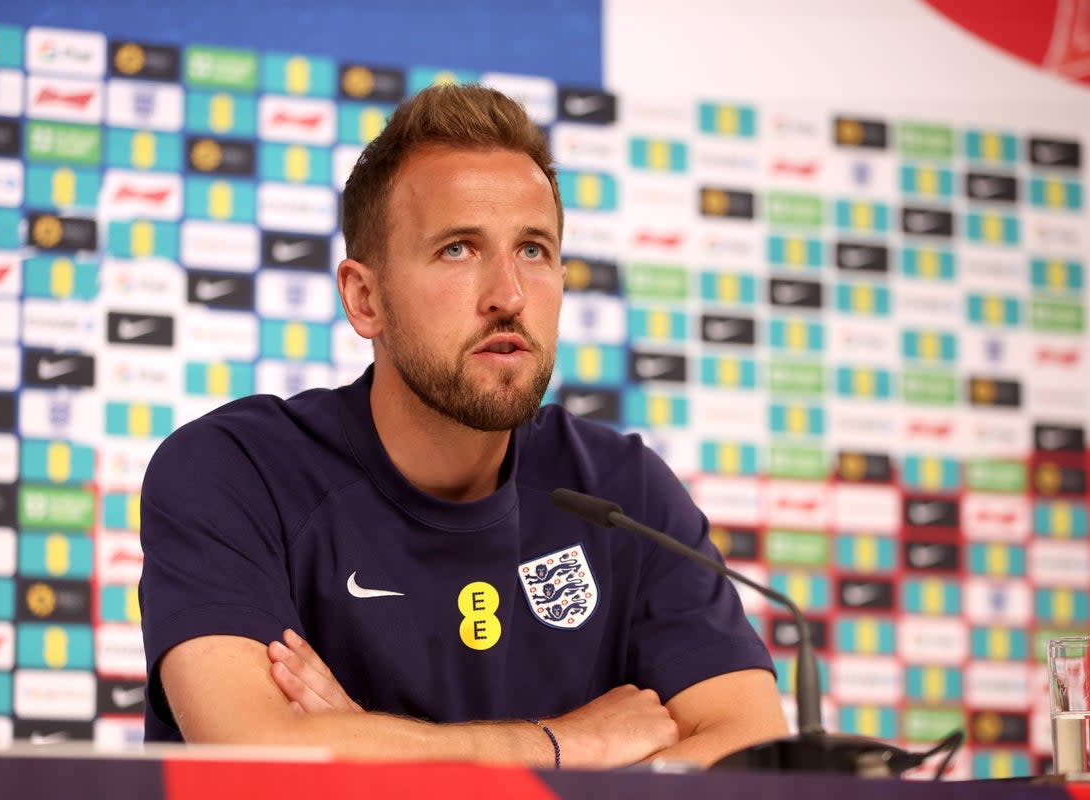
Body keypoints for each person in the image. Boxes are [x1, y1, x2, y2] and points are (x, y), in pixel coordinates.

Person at [140, 84, 787, 769]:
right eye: (458, 250)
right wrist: (566, 744)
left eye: (533, 250)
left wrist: (370, 752)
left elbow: (752, 754)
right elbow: (259, 754)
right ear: (365, 298)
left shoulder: (624, 495)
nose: (508, 295)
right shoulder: (233, 472)